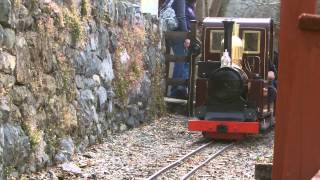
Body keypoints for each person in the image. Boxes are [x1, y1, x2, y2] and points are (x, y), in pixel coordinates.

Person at [169, 0, 197, 98]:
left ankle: (182, 91)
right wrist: (186, 36)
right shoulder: (180, 1)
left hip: (185, 35)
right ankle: (175, 93)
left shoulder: (190, 4)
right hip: (179, 35)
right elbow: (181, 17)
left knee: (185, 64)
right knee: (180, 62)